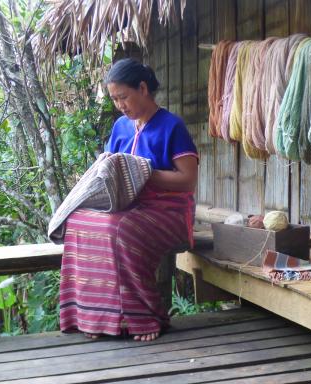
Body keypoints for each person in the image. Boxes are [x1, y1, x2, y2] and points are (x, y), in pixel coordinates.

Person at [59, 58, 198, 341]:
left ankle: (143, 316)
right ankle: (96, 318)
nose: (120, 105)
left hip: (168, 212)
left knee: (118, 229)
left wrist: (142, 172)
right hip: (125, 206)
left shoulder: (172, 126)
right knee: (77, 221)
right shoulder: (121, 127)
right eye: (114, 99)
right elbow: (112, 171)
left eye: (124, 97)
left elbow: (188, 180)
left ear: (143, 88)